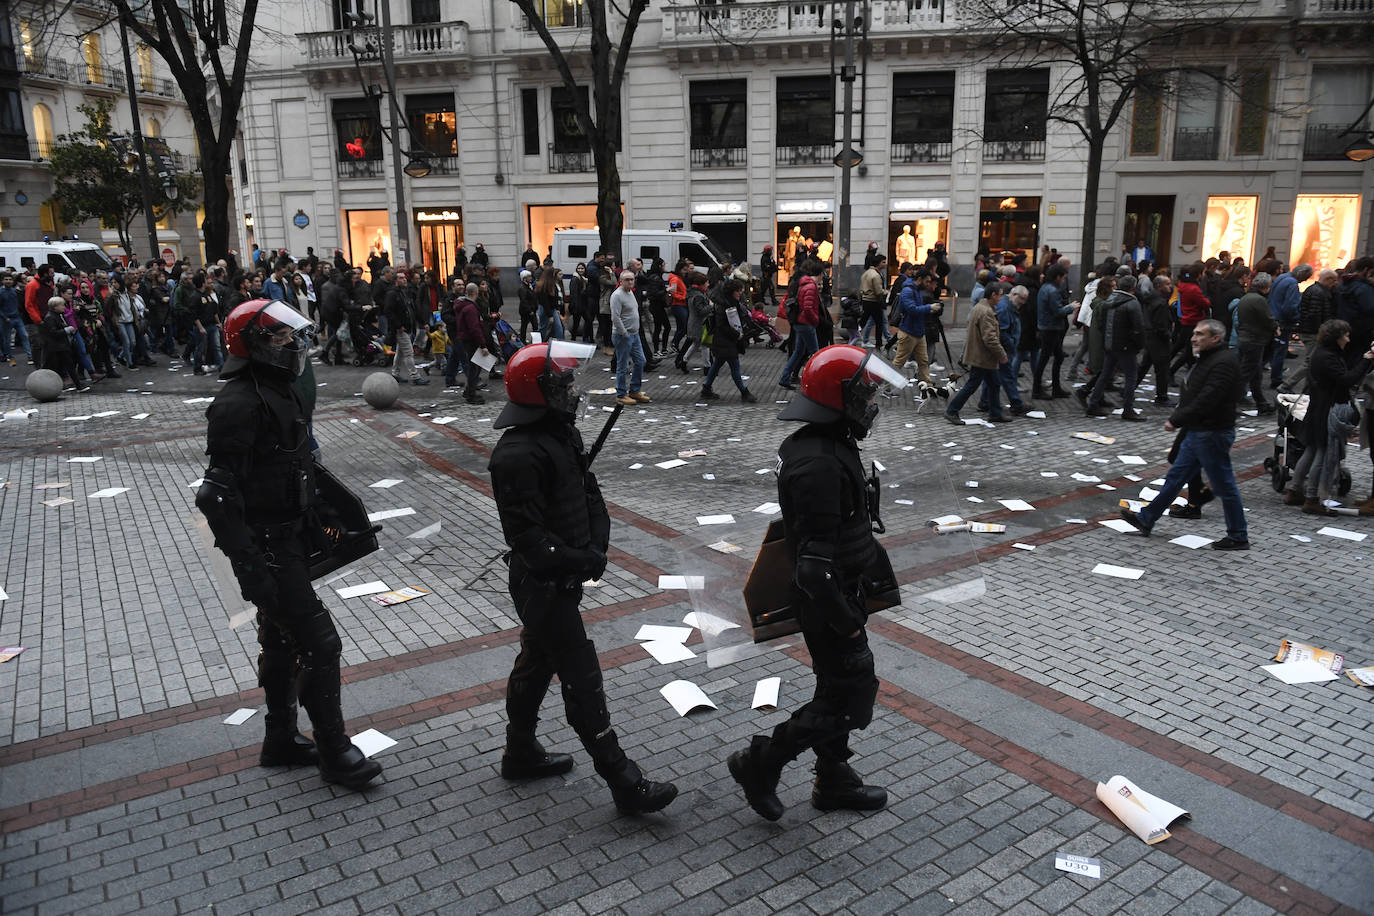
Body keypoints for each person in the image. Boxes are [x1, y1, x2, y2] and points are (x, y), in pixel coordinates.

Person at [196, 299, 382, 790]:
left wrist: (324, 519)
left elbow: (295, 466)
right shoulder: (238, 403)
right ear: (255, 344)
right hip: (268, 549)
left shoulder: (277, 390)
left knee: (279, 640)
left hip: (288, 539)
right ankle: (335, 752)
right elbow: (215, 496)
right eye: (279, 337)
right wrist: (249, 567)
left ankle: (279, 739)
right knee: (320, 644)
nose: (290, 345)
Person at [488, 342, 677, 814]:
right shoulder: (515, 454)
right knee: (582, 679)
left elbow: (589, 494)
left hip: (564, 576)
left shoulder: (560, 434)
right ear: (540, 391)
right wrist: (578, 559)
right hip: (541, 584)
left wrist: (596, 547)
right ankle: (623, 781)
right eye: (563, 383)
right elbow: (528, 537)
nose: (572, 390)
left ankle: (520, 751)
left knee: (536, 663)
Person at [728, 344, 905, 821]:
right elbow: (812, 565)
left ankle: (833, 779)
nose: (868, 404)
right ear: (835, 398)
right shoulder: (820, 462)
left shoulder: (826, 443)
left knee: (835, 690)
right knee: (849, 698)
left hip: (841, 592)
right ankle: (760, 762)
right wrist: (846, 623)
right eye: (861, 394)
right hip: (827, 601)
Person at [1119, 319, 1250, 550]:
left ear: (1215, 338)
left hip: (1212, 432)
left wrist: (1177, 419)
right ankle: (1147, 518)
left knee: (1225, 485)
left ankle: (1238, 535)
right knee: (1176, 477)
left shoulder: (1223, 362)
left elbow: (1208, 398)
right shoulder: (1209, 358)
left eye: (1200, 334)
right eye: (1195, 333)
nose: (1193, 338)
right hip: (1199, 430)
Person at [1283, 319, 1374, 515]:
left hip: (1317, 407)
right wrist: (1366, 360)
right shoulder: (1328, 357)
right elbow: (1346, 380)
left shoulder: (1322, 353)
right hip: (1326, 409)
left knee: (1311, 449)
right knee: (1323, 452)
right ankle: (1312, 498)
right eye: (1346, 335)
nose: (1348, 339)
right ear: (1337, 337)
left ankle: (1294, 490)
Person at [945, 295, 1011, 425]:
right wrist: (1001, 354)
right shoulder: (986, 312)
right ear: (993, 295)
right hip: (982, 357)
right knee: (973, 384)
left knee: (994, 383)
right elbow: (990, 338)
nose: (1001, 298)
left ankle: (995, 413)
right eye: (1000, 295)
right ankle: (952, 411)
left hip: (981, 355)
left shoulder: (980, 308)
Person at [1085, 279, 1145, 421]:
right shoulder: (1132, 303)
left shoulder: (1108, 301)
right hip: (1125, 346)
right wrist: (1138, 345)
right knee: (1131, 377)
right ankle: (1128, 409)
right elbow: (1138, 328)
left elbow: (1101, 323)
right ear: (1133, 288)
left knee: (1105, 374)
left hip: (1110, 344)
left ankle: (1093, 404)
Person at [701, 278, 758, 403]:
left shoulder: (729, 302)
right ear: (732, 291)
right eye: (738, 291)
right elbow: (722, 325)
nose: (740, 293)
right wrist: (736, 334)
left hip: (724, 340)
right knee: (734, 367)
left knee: (717, 365)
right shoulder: (724, 305)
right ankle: (744, 392)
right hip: (725, 341)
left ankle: (706, 388)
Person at [1234, 271, 1276, 414]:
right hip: (1254, 340)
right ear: (1266, 287)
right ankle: (1229, 403)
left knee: (1255, 373)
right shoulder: (1259, 300)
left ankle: (1261, 403)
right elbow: (1267, 319)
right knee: (1245, 374)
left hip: (1246, 338)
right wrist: (1275, 327)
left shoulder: (1246, 297)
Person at [778, 261, 822, 390]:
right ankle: (817, 380)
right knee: (815, 353)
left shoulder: (804, 284)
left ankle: (784, 378)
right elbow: (808, 308)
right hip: (806, 324)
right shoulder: (811, 286)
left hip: (799, 322)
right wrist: (815, 320)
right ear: (819, 274)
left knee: (798, 352)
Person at [1032, 263, 1074, 398]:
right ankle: (1037, 390)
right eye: (1063, 278)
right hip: (1051, 328)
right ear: (1057, 277)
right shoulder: (1052, 290)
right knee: (1045, 358)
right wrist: (1071, 307)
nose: (1063, 281)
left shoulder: (1045, 287)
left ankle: (1054, 388)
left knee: (1057, 356)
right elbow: (1057, 311)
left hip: (1048, 327)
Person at [610, 269, 649, 406]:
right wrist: (624, 333)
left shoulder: (630, 292)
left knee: (641, 361)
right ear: (621, 281)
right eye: (627, 280)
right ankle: (621, 394)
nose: (630, 282)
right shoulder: (617, 295)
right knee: (623, 365)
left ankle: (634, 390)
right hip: (623, 335)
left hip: (634, 334)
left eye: (632, 279)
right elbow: (615, 316)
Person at [858, 255, 889, 350]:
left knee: (865, 320)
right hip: (874, 301)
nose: (885, 264)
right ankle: (878, 343)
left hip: (866, 300)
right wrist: (886, 292)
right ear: (878, 263)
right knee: (879, 323)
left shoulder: (867, 273)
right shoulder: (875, 275)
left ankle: (856, 334)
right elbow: (878, 291)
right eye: (883, 262)